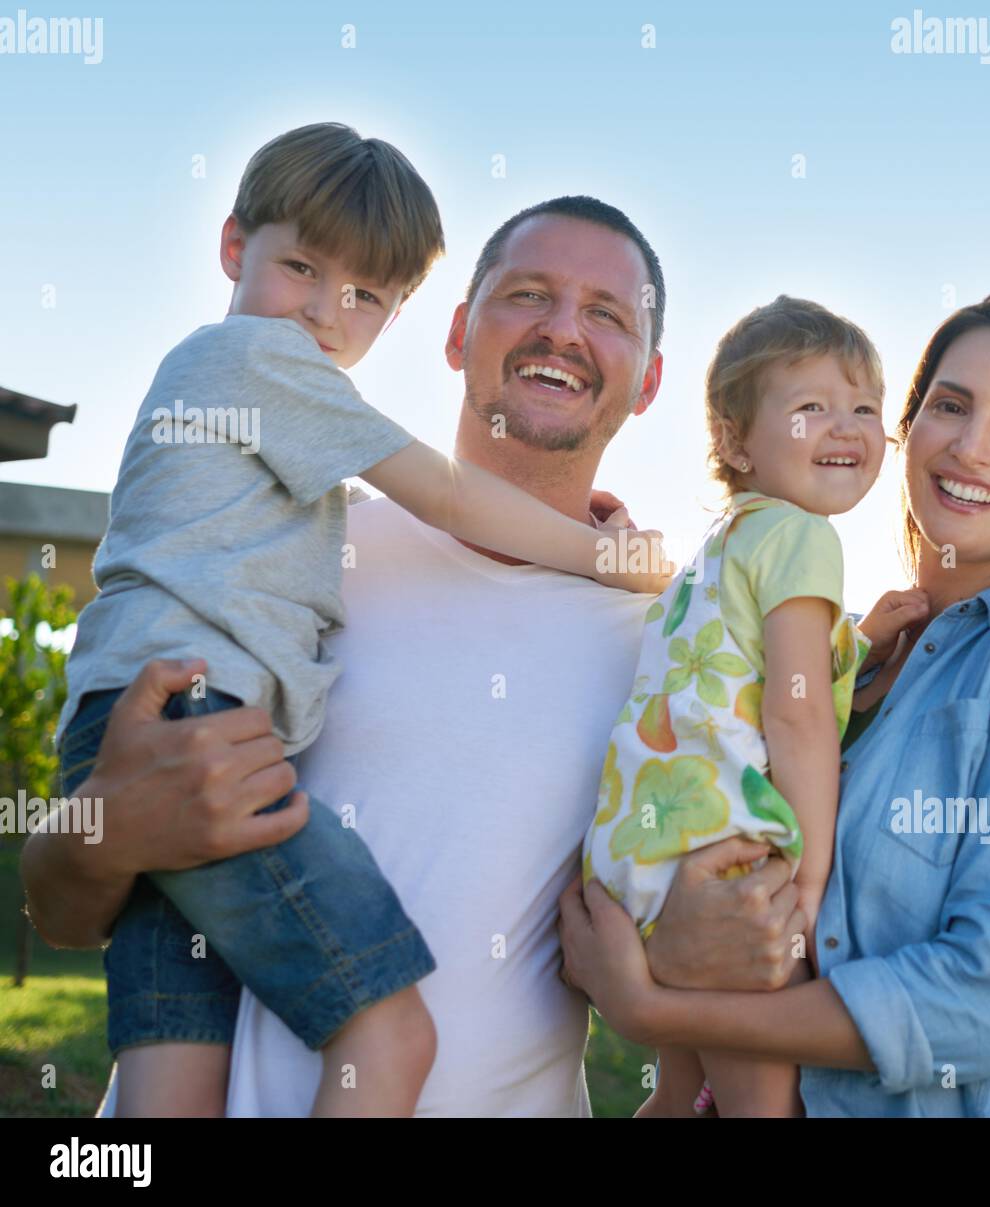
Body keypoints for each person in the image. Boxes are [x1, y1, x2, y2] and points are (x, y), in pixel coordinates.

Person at [26, 193, 670, 1116]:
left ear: (647, 382)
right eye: (528, 294)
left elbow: (711, 962)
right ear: (455, 333)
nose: (562, 329)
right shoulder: (280, 564)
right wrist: (108, 828)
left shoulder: (672, 645)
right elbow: (61, 908)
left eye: (607, 313)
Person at [559, 286, 990, 1117]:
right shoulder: (856, 646)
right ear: (909, 428)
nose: (974, 447)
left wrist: (653, 1006)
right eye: (951, 405)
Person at [582, 295, 927, 1115]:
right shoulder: (806, 539)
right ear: (736, 441)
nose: (846, 427)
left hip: (649, 849)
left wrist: (853, 640)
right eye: (811, 407)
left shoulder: (726, 541)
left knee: (677, 1091)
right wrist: (808, 876)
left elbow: (744, 669)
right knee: (760, 1103)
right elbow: (797, 715)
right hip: (730, 868)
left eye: (865, 409)